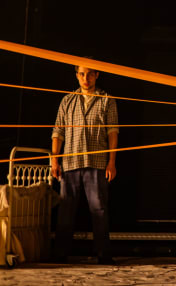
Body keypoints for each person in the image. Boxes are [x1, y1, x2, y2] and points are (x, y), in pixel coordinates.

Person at [51, 63, 119, 264]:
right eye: (81, 74)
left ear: (97, 75)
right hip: (70, 161)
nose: (85, 78)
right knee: (66, 209)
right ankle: (60, 253)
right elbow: (58, 132)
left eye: (89, 74)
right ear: (76, 75)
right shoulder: (68, 100)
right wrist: (54, 160)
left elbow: (113, 132)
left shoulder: (106, 99)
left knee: (99, 209)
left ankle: (103, 253)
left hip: (96, 162)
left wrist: (112, 162)